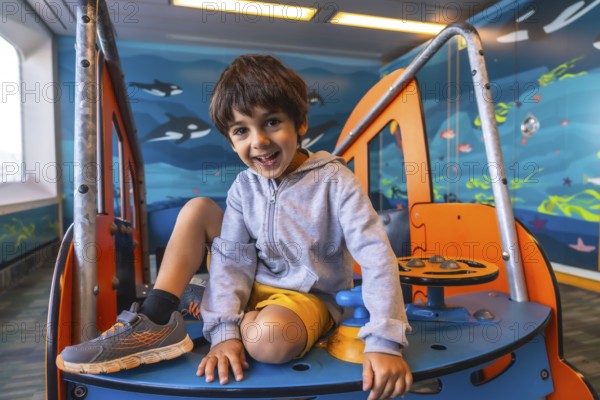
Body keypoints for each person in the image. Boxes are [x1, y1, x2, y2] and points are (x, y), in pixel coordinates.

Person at [57, 54, 412, 400]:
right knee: (198, 208)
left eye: (271, 122)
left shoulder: (335, 181)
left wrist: (384, 342)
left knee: (269, 341)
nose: (258, 141)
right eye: (242, 130)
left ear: (300, 124)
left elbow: (377, 255)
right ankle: (157, 318)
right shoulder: (244, 186)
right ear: (231, 141)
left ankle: (205, 300)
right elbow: (231, 262)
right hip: (249, 280)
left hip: (307, 298)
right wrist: (224, 333)